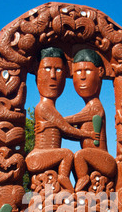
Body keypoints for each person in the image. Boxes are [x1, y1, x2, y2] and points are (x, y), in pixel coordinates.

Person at [26, 47, 95, 193]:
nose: (52, 76)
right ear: (36, 75)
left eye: (58, 70)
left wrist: (54, 124)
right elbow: (66, 129)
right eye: (46, 69)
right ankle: (65, 181)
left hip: (45, 159)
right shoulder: (44, 107)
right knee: (67, 154)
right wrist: (87, 135)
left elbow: (62, 127)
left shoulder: (51, 111)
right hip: (37, 158)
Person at [65, 49, 117, 192]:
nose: (82, 77)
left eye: (87, 70)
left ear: (100, 71)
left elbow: (73, 120)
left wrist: (53, 120)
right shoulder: (88, 107)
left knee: (80, 155)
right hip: (92, 159)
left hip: (105, 161)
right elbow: (73, 132)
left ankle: (83, 179)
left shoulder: (95, 107)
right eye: (77, 72)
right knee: (74, 159)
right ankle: (82, 183)